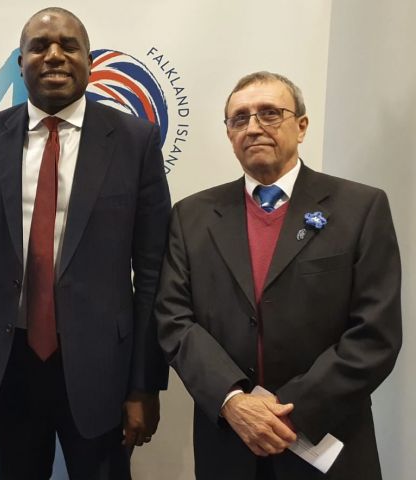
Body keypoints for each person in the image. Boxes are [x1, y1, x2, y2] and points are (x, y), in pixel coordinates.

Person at [0, 7, 171, 479]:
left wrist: (144, 384)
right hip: (8, 364)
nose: (54, 56)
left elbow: (153, 271)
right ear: (20, 61)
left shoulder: (134, 140)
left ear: (90, 60)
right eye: (39, 47)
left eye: (68, 45)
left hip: (102, 369)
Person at [155, 71, 401, 479]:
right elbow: (174, 320)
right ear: (229, 133)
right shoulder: (191, 216)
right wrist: (233, 400)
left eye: (270, 113)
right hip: (229, 444)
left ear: (301, 126)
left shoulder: (361, 208)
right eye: (239, 118)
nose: (253, 127)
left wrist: (288, 414)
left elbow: (375, 333)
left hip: (327, 442)